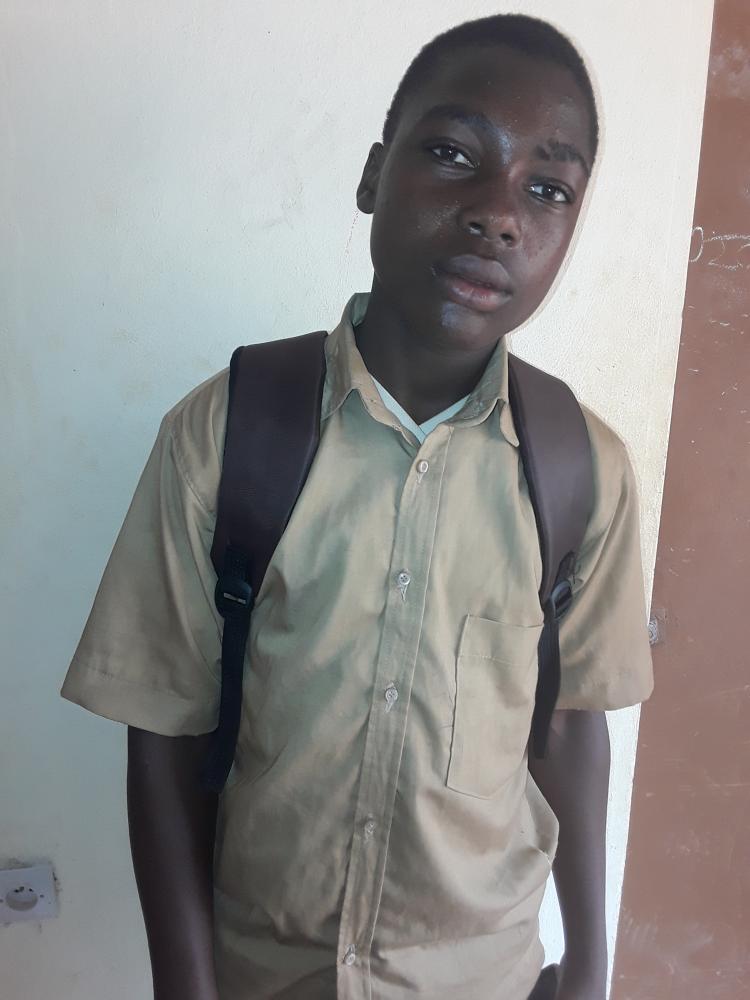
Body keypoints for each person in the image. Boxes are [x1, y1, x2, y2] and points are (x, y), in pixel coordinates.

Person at [61, 13, 653, 1000]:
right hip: (266, 971)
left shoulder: (581, 469)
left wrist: (591, 960)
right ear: (375, 175)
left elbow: (571, 720)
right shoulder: (229, 432)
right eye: (454, 154)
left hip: (484, 976)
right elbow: (163, 728)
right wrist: (185, 984)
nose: (497, 214)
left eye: (546, 189)